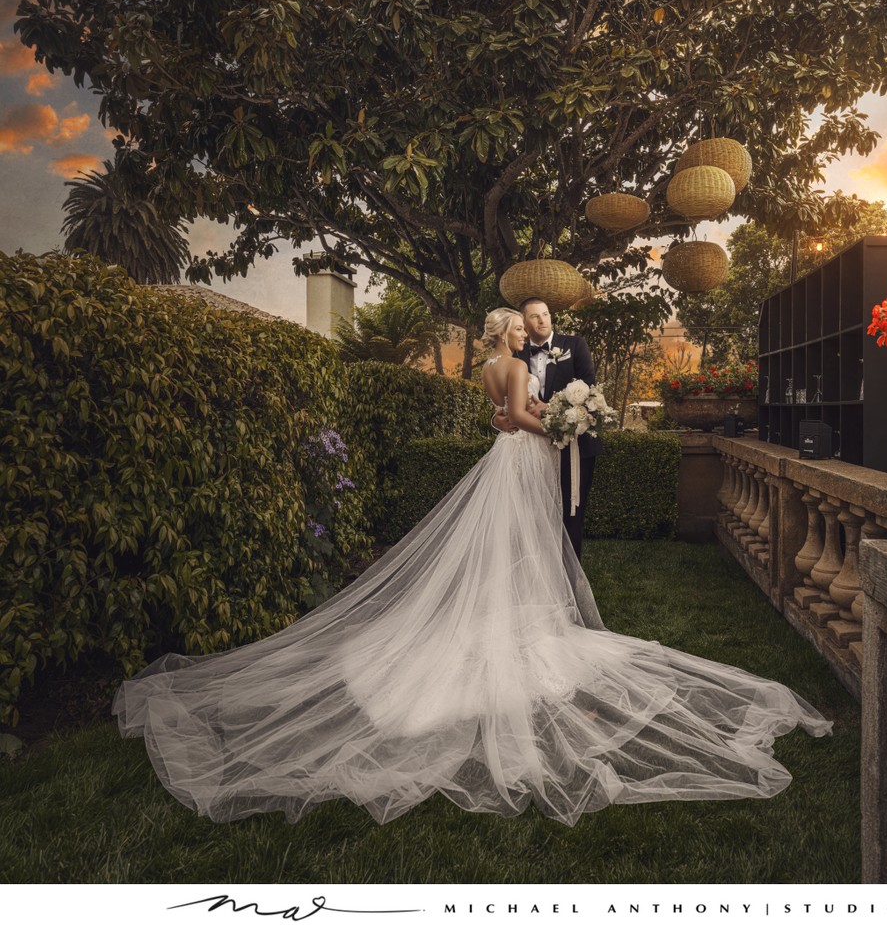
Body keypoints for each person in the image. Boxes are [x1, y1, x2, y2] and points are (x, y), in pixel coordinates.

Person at [113, 307, 830, 828]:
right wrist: (556, 419)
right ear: (504, 336)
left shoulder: (486, 367)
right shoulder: (514, 366)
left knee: (509, 548)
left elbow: (498, 410)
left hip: (504, 458)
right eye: (518, 326)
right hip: (521, 458)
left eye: (527, 326)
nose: (525, 331)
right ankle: (516, 631)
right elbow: (516, 415)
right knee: (524, 544)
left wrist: (540, 412)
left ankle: (505, 619)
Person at [494, 297, 598, 559]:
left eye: (546, 314)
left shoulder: (574, 345)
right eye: (535, 316)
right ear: (523, 323)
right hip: (530, 448)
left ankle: (569, 581)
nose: (543, 320)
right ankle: (535, 578)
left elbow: (589, 388)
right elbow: (501, 402)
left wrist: (549, 406)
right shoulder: (514, 352)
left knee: (571, 513)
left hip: (573, 446)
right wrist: (496, 421)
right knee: (530, 513)